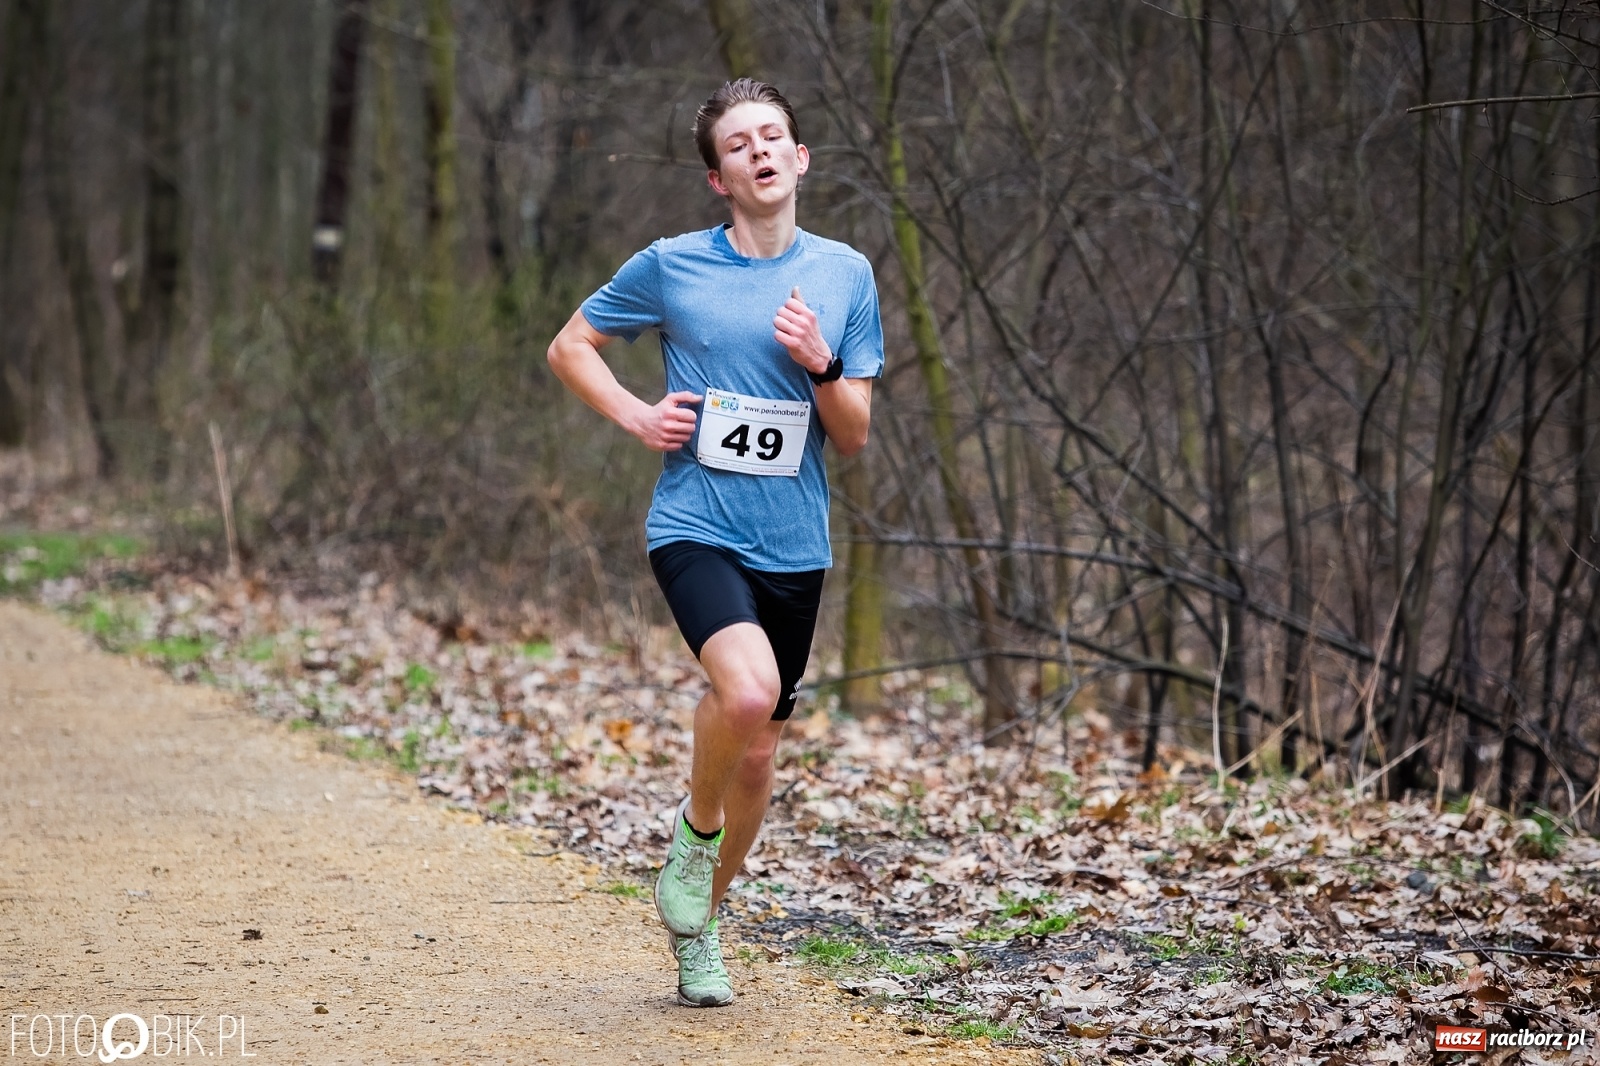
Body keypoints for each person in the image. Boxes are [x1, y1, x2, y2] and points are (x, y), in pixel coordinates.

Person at [546, 78, 884, 1007]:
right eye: (739, 145)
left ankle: (698, 927)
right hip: (695, 524)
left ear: (800, 159)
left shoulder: (845, 275)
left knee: (761, 752)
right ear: (717, 179)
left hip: (795, 544)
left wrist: (820, 361)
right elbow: (570, 345)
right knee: (746, 691)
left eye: (773, 137)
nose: (759, 151)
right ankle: (695, 838)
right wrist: (637, 415)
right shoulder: (673, 266)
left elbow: (854, 434)